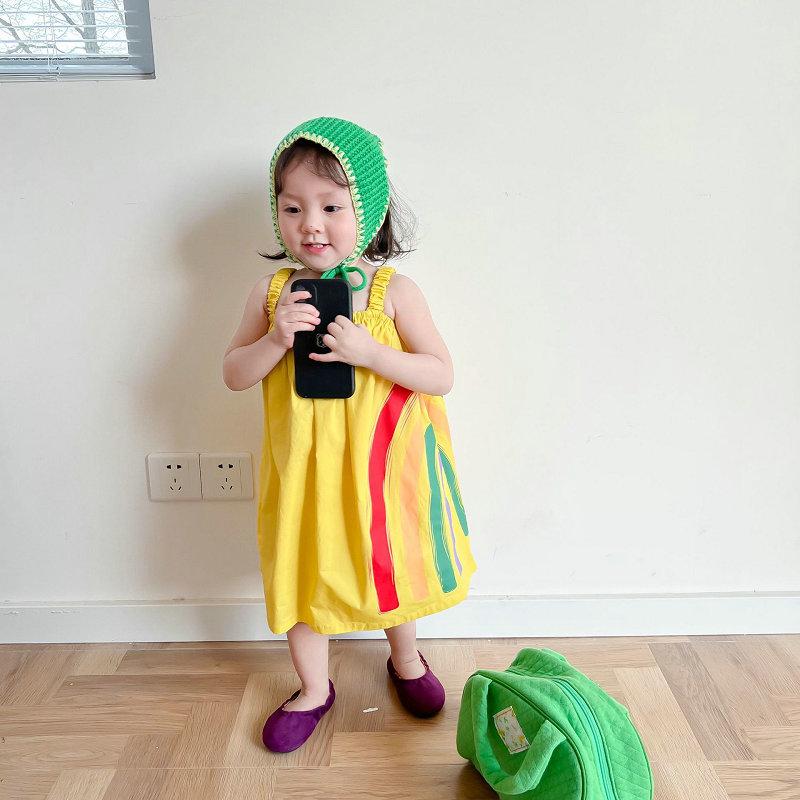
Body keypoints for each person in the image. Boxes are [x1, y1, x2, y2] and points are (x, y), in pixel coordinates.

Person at [222, 117, 477, 753]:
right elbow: (233, 374)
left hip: (381, 472)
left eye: (331, 207)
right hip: (303, 476)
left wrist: (371, 353)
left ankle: (406, 660)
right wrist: (275, 339)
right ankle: (313, 688)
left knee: (388, 564)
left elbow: (440, 374)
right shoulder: (271, 294)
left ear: (370, 210)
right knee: (304, 569)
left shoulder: (394, 293)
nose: (311, 225)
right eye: (293, 208)